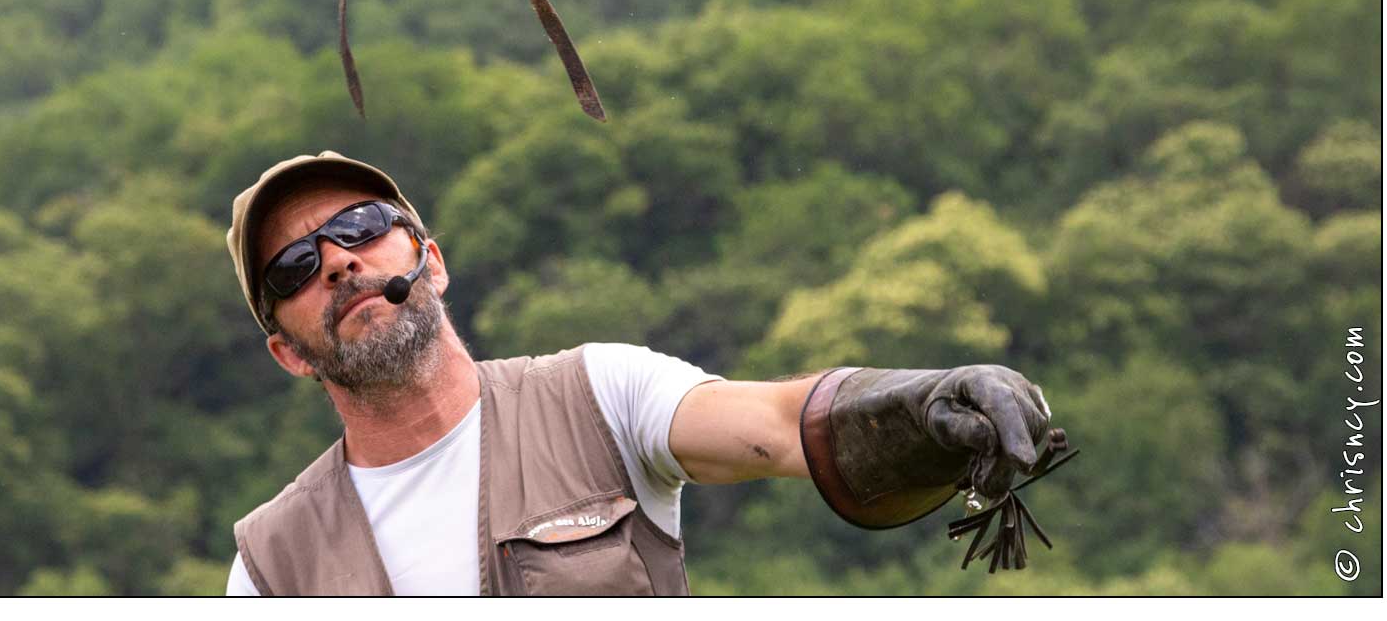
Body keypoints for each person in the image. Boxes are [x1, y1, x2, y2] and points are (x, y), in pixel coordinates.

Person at [223, 151, 1060, 597]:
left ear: (430, 261)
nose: (336, 259)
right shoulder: (270, 564)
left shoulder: (597, 394)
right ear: (288, 351)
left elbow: (774, 425)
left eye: (362, 225)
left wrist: (921, 401)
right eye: (294, 266)